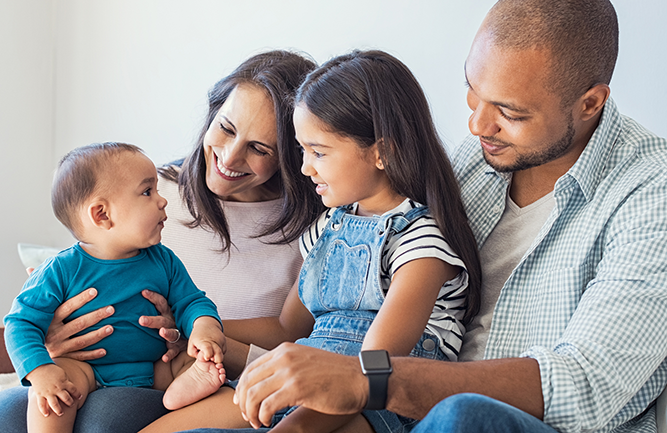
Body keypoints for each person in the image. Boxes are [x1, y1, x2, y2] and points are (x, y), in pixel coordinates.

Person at [226, 1, 667, 432]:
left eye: (509, 113)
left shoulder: (651, 193)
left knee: (464, 415)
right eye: (472, 94)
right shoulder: (475, 161)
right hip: (402, 409)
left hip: (476, 417)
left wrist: (368, 380)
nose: (477, 126)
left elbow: (582, 385)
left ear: (590, 103)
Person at [0, 50, 323, 433]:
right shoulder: (143, 191)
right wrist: (52, 338)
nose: (229, 155)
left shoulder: (315, 229)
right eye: (225, 127)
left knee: (106, 419)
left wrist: (195, 330)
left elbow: (291, 334)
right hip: (90, 364)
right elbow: (75, 275)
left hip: (183, 370)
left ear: (294, 154)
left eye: (259, 148)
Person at [139, 50, 482, 433]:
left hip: (371, 401)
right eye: (302, 150)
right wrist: (201, 325)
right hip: (302, 375)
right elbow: (288, 328)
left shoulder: (420, 242)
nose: (303, 168)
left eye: (318, 152)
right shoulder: (327, 228)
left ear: (382, 152)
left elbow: (373, 369)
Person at [5, 142, 228, 432]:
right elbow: (20, 322)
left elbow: (191, 301)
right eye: (148, 192)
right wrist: (41, 371)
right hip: (88, 370)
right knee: (54, 394)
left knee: (195, 362)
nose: (162, 201)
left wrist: (204, 329)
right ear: (102, 215)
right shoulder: (61, 269)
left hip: (155, 365)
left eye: (157, 190)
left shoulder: (164, 261)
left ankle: (184, 387)